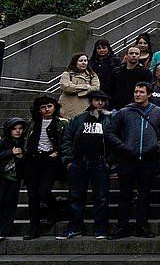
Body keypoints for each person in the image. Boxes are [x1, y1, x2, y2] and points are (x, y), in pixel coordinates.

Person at [107, 82, 160, 239]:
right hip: (127, 158)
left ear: (149, 94)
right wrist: (122, 147)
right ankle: (122, 226)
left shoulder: (159, 112)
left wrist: (158, 146)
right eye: (136, 91)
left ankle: (142, 226)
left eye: (141, 92)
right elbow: (109, 132)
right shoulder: (124, 112)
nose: (138, 94)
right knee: (124, 195)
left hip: (148, 159)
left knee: (145, 195)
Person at [59, 90, 112, 240]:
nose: (100, 103)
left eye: (103, 100)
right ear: (90, 102)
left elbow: (115, 142)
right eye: (96, 100)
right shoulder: (78, 119)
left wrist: (110, 162)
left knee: (101, 197)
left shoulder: (110, 119)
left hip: (100, 163)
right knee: (75, 196)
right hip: (79, 162)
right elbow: (67, 139)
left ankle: (101, 229)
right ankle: (74, 228)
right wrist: (68, 160)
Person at [23, 95, 66, 240]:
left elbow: (67, 141)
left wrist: (58, 152)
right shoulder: (32, 124)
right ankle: (34, 228)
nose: (46, 109)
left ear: (55, 107)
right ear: (38, 110)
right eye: (43, 107)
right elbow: (25, 140)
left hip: (51, 160)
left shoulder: (61, 123)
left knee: (43, 191)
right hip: (33, 160)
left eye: (49, 106)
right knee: (32, 195)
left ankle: (55, 209)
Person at [0, 119, 26, 240]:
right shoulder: (3, 142)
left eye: (20, 128)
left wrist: (21, 157)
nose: (18, 131)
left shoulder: (24, 143)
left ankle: (4, 231)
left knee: (10, 205)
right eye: (15, 128)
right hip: (3, 177)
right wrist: (11, 152)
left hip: (15, 179)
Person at [58, 53, 100, 121]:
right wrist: (85, 86)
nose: (83, 63)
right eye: (80, 61)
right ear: (75, 62)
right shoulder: (67, 74)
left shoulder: (92, 75)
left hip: (85, 107)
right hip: (67, 107)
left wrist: (79, 92)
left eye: (85, 61)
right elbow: (66, 87)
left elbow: (95, 88)